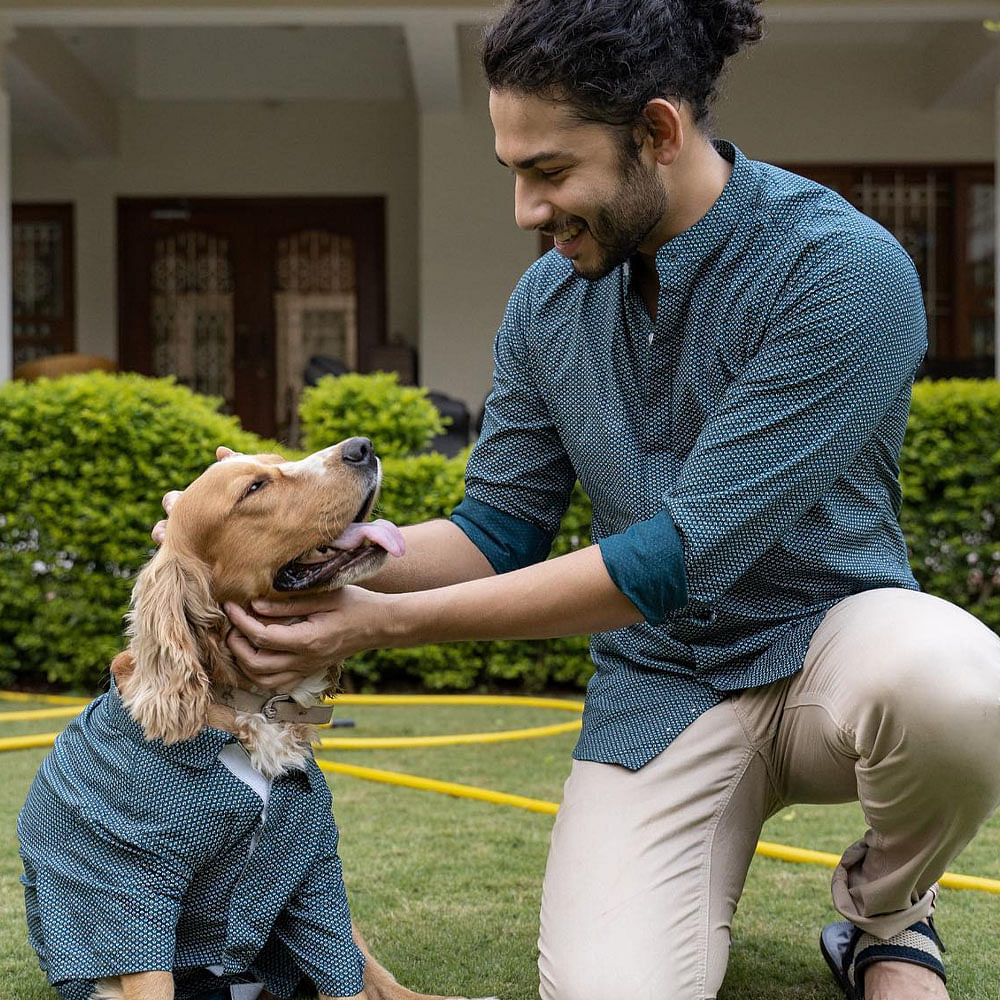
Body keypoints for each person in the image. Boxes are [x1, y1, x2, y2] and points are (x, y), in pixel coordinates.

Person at [158, 2, 1000, 998]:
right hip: (663, 694)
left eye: (549, 171)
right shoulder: (546, 303)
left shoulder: (840, 269)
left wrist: (376, 625)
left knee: (961, 680)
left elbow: (676, 557)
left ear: (657, 132)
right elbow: (495, 530)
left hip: (834, 656)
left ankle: (889, 922)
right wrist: (306, 566)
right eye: (514, 168)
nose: (523, 208)